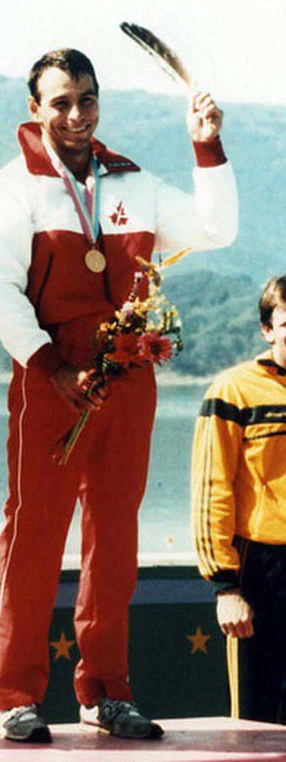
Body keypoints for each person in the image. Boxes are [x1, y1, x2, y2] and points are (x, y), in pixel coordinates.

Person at [0, 48, 237, 742]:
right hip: (49, 374)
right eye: (60, 102)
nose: (77, 114)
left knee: (115, 538)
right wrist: (50, 365)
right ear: (35, 108)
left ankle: (106, 688)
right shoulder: (8, 192)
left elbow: (216, 230)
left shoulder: (131, 183)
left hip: (128, 375)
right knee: (34, 534)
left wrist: (207, 144)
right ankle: (18, 693)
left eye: (87, 99)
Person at [192, 277, 286, 724]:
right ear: (268, 329)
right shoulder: (233, 391)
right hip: (263, 567)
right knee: (259, 717)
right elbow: (212, 489)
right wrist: (225, 586)